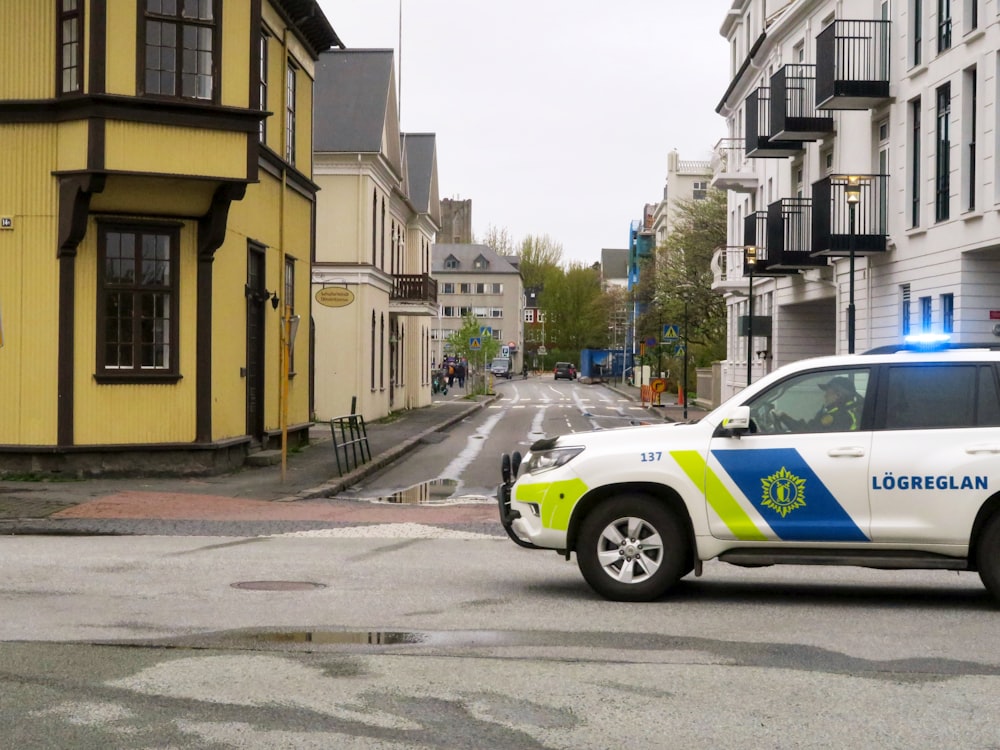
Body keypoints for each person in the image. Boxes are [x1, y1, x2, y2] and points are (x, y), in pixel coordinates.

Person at [775, 377, 861, 432]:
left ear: (838, 395)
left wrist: (783, 417)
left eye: (828, 392)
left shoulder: (838, 416)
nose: (825, 396)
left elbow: (807, 431)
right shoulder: (846, 410)